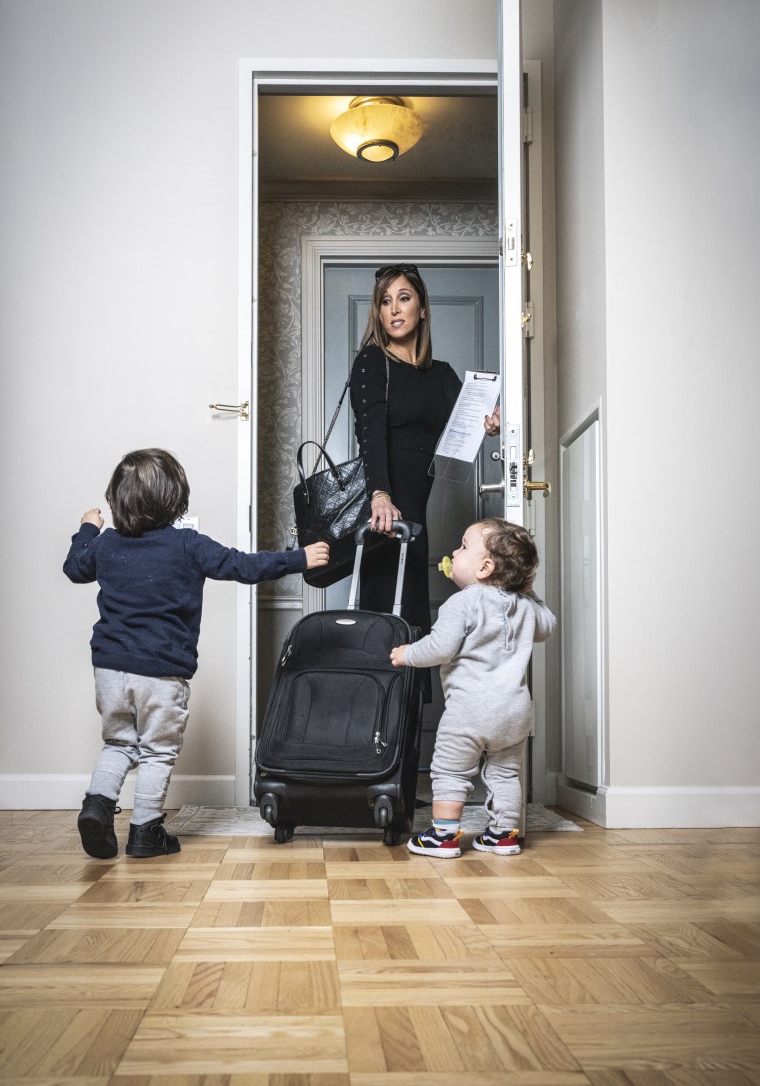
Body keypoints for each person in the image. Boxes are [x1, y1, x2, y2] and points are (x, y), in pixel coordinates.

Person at [63, 447, 329, 860]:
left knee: (118, 743)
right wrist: (299, 558)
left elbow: (74, 567)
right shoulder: (187, 544)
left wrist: (87, 528)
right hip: (161, 674)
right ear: (175, 501)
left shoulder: (107, 544)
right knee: (157, 751)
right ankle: (144, 832)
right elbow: (243, 566)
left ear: (116, 501)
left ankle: (97, 806)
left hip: (109, 670)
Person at [390, 518, 556, 858]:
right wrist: (528, 592)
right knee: (506, 771)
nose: (454, 552)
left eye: (463, 546)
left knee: (451, 768)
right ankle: (503, 835)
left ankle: (444, 836)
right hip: (514, 712)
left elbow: (439, 648)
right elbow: (547, 626)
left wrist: (407, 654)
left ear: (485, 567)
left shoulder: (464, 602)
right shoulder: (525, 607)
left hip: (470, 711)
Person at [349, 264, 462, 639]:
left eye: (404, 298)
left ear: (422, 308)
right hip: (385, 512)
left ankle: (409, 700)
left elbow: (467, 427)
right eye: (385, 301)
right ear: (379, 314)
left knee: (412, 618)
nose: (394, 309)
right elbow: (370, 433)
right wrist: (379, 495)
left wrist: (490, 423)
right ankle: (381, 698)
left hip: (417, 511)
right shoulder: (372, 362)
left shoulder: (442, 375)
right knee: (385, 621)